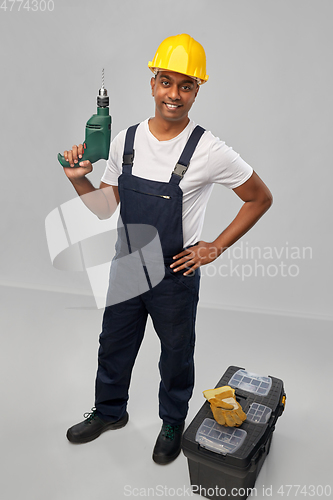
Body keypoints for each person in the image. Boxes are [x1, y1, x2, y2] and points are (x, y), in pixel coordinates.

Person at [62, 34, 273, 465]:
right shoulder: (127, 140)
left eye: (186, 85)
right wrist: (78, 179)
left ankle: (172, 420)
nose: (173, 94)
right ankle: (108, 412)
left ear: (198, 90)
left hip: (174, 274)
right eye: (165, 82)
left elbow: (259, 197)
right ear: (152, 83)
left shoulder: (209, 149)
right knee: (113, 344)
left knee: (176, 353)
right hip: (127, 265)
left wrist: (215, 246)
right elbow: (106, 207)